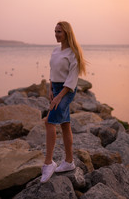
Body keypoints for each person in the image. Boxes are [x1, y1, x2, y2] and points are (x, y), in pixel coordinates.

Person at [40, 21, 86, 183]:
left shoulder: (73, 53)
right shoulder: (55, 50)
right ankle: (69, 162)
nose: (56, 34)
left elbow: (72, 79)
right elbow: (53, 71)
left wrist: (59, 96)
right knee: (65, 124)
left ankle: (48, 163)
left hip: (67, 90)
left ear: (67, 33)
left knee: (49, 122)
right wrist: (51, 89)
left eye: (59, 31)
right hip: (56, 88)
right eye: (55, 31)